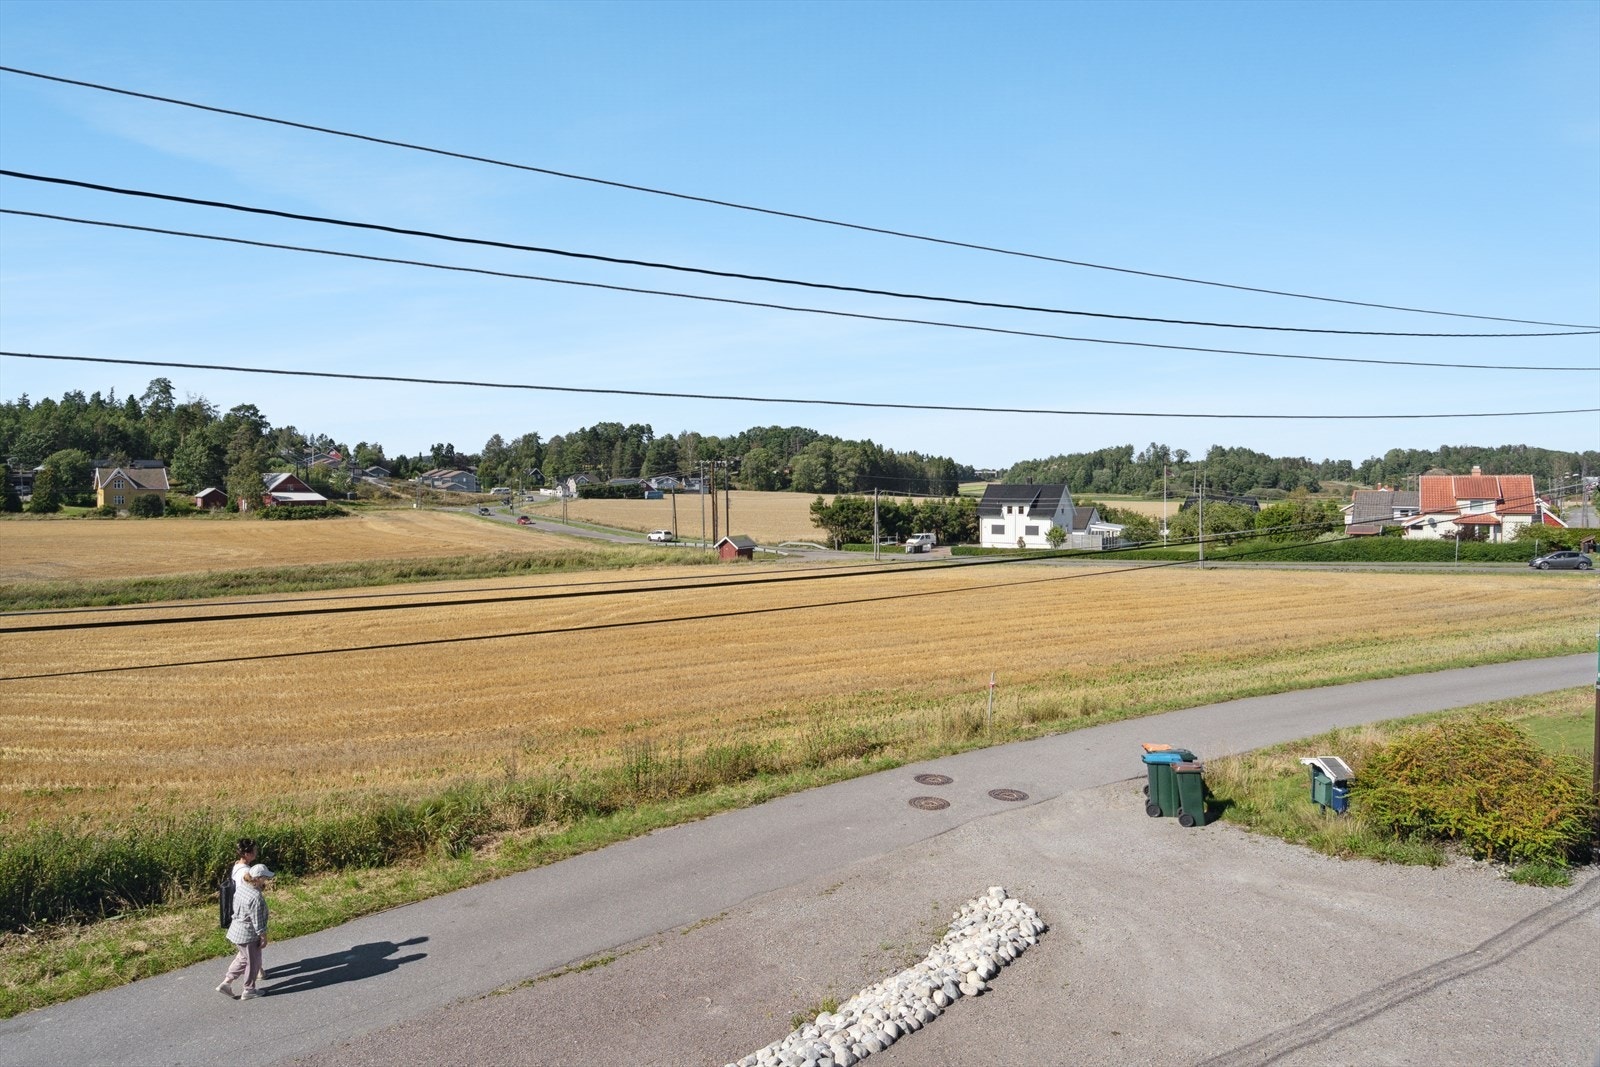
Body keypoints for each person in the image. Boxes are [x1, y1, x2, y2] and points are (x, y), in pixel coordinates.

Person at [217, 862, 273, 1001]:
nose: (266, 880)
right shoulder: (256, 897)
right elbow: (257, 920)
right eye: (265, 878)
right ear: (258, 878)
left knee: (242, 958)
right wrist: (263, 936)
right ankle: (249, 990)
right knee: (253, 962)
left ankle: (227, 982)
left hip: (237, 930)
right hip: (248, 935)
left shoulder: (242, 888)